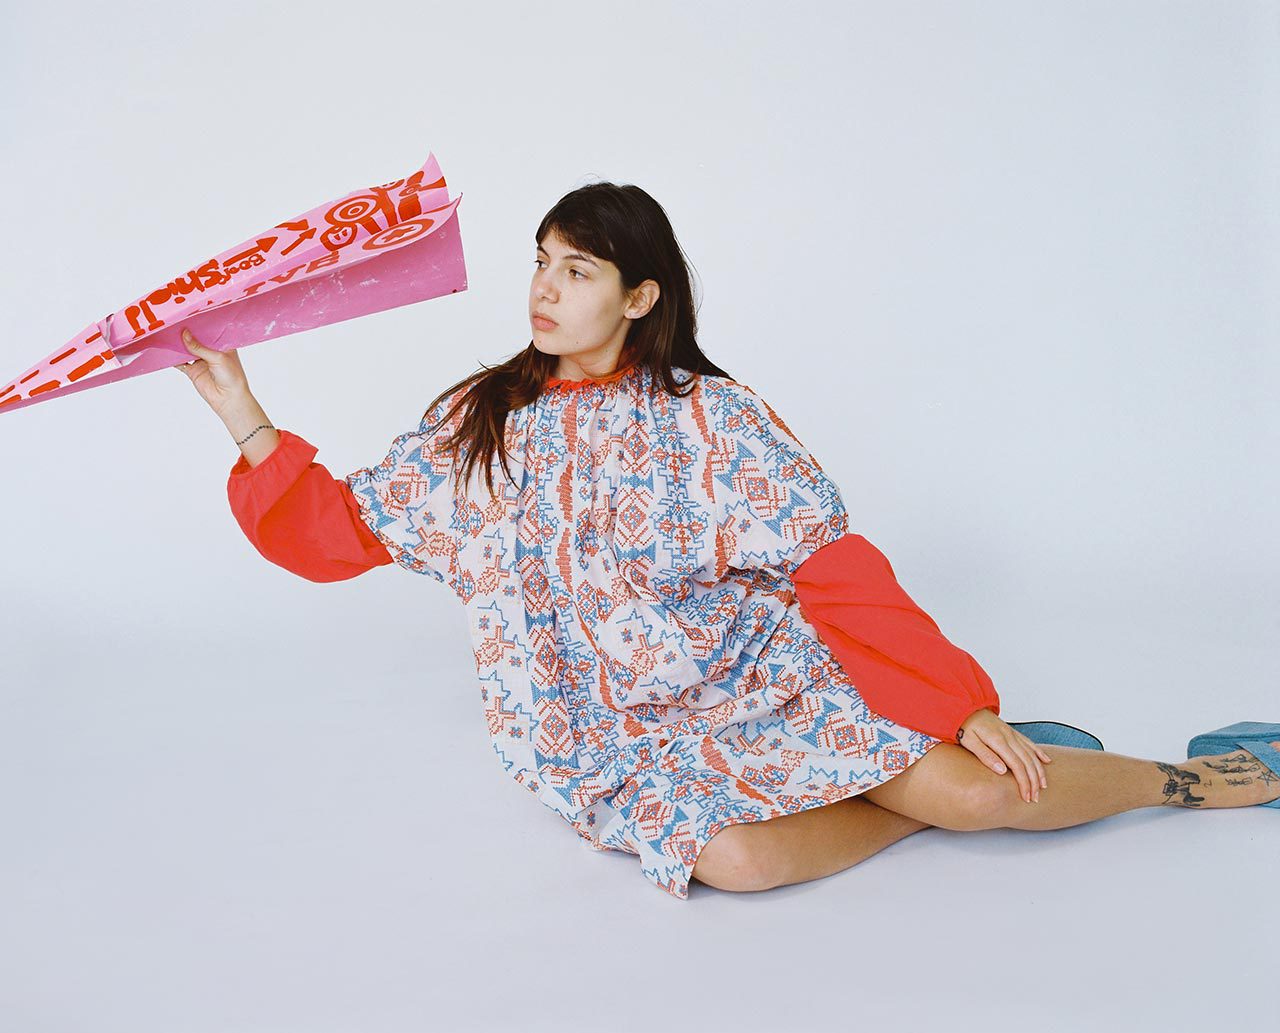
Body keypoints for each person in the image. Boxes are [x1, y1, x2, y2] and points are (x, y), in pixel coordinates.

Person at [174, 182, 1280, 899]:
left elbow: (832, 567)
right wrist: (243, 415)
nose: (545, 289)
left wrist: (958, 703)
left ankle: (1202, 774)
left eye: (578, 270)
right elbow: (339, 531)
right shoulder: (482, 423)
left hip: (756, 678)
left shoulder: (709, 416)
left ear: (638, 295)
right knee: (737, 862)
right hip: (602, 736)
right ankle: (905, 797)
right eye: (542, 261)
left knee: (988, 794)